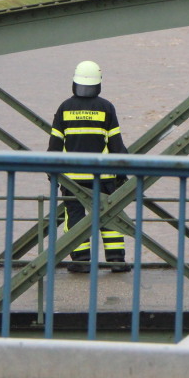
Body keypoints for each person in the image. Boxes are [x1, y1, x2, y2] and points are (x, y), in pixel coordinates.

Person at [48, 60, 132, 273]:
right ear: (99, 83)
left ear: (75, 82)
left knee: (74, 218)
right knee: (109, 216)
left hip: (72, 178)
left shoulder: (64, 108)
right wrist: (121, 175)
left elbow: (55, 146)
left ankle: (82, 261)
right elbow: (116, 146)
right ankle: (116, 260)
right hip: (102, 177)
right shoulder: (106, 108)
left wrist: (52, 173)